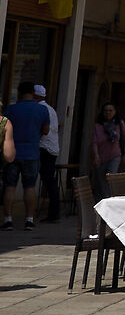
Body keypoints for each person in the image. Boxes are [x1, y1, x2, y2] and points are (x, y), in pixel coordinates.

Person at [2, 81, 49, 229]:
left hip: (12, 152)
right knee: (29, 187)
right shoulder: (41, 110)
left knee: (9, 187)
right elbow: (46, 130)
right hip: (32, 153)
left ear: (20, 92)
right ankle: (29, 219)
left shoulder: (11, 109)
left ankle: (8, 219)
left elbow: (4, 129)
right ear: (34, 94)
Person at [91, 98, 125, 190]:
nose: (108, 113)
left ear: (115, 112)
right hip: (101, 156)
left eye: (110, 110)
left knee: (110, 178)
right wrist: (96, 155)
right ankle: (104, 197)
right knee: (101, 180)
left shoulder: (119, 124)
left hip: (114, 155)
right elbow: (95, 141)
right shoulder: (98, 125)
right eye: (106, 111)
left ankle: (110, 196)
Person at [37, 91, 60, 221]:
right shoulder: (50, 108)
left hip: (45, 148)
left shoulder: (42, 109)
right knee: (50, 181)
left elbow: (44, 130)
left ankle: (54, 213)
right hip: (51, 149)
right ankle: (53, 212)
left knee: (49, 181)